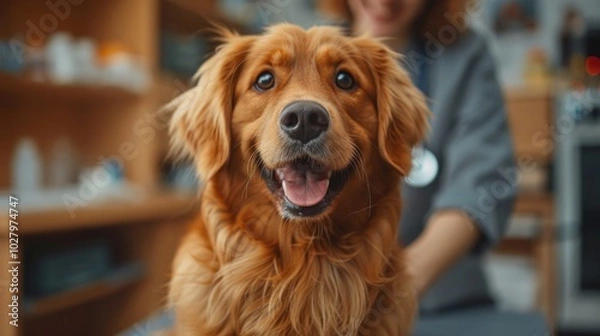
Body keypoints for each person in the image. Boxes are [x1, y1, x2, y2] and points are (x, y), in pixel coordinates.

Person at [321, 0, 531, 328]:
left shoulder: (465, 56)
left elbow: (480, 187)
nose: (384, 2)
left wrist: (390, 294)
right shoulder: (308, 54)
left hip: (442, 305)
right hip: (324, 308)